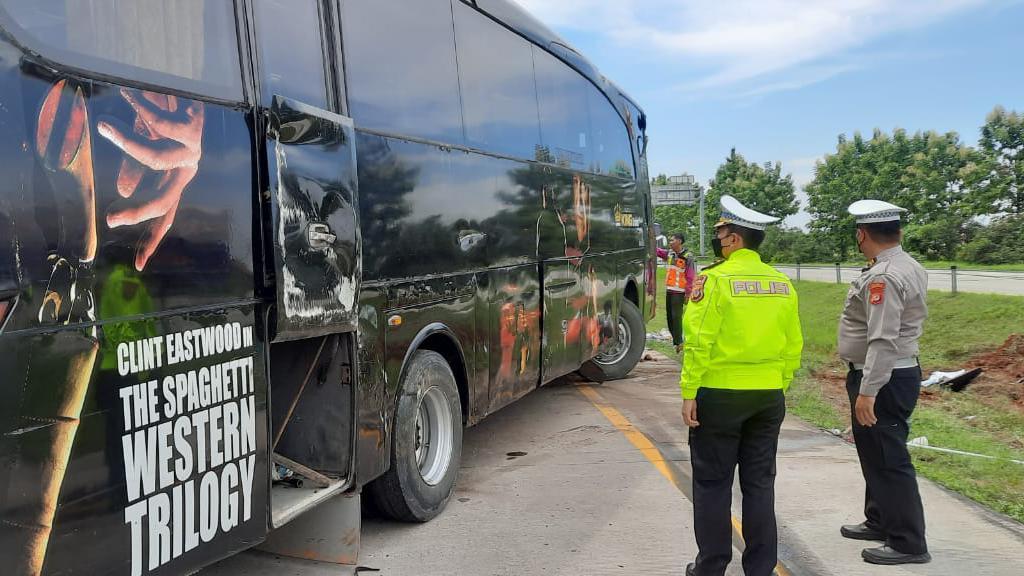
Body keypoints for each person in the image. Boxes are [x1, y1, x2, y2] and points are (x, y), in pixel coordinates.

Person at [680, 196, 803, 576]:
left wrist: (689, 391)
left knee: (713, 484)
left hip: (719, 395)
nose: (716, 238)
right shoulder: (782, 284)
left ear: (733, 239)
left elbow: (698, 340)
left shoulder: (714, 280)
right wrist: (777, 385)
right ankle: (760, 569)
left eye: (719, 232)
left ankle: (711, 567)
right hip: (768, 397)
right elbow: (793, 345)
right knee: (760, 485)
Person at [838, 200, 931, 566]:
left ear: (862, 234)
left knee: (889, 458)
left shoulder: (884, 276)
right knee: (875, 452)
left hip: (884, 376)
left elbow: (883, 338)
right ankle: (880, 519)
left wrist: (868, 390)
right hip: (892, 372)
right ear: (899, 232)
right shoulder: (905, 265)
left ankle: (908, 542)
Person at [657, 233, 696, 353]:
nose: (670, 242)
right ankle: (677, 340)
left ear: (679, 241)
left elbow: (690, 276)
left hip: (680, 292)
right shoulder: (670, 254)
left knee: (676, 317)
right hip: (669, 290)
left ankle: (679, 342)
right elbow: (658, 251)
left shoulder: (688, 257)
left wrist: (688, 294)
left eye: (672, 240)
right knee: (669, 318)